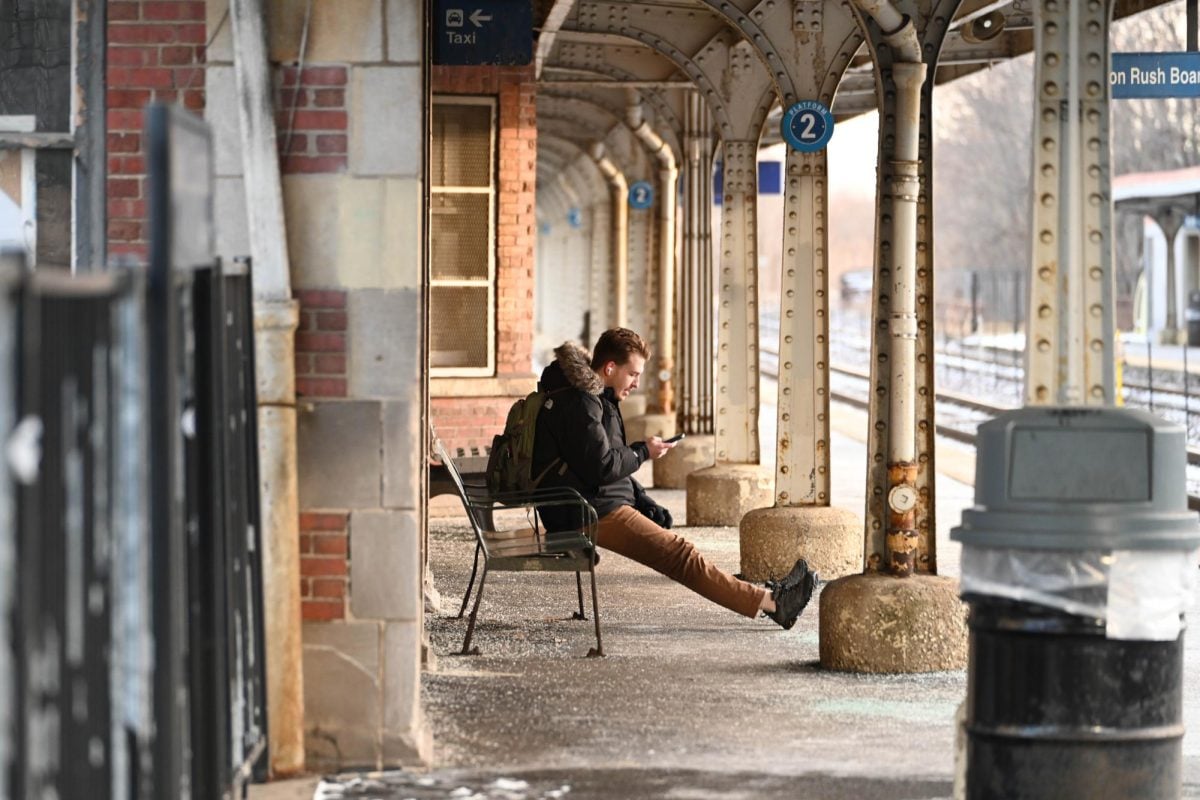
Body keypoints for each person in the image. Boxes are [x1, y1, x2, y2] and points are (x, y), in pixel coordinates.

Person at [531, 327, 818, 629]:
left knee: (681, 553)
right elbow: (602, 466)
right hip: (584, 511)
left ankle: (767, 598)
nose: (636, 384)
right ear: (610, 367)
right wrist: (643, 452)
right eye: (632, 374)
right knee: (681, 556)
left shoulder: (594, 398)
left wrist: (642, 500)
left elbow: (600, 462)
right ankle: (773, 603)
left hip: (591, 502)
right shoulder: (582, 403)